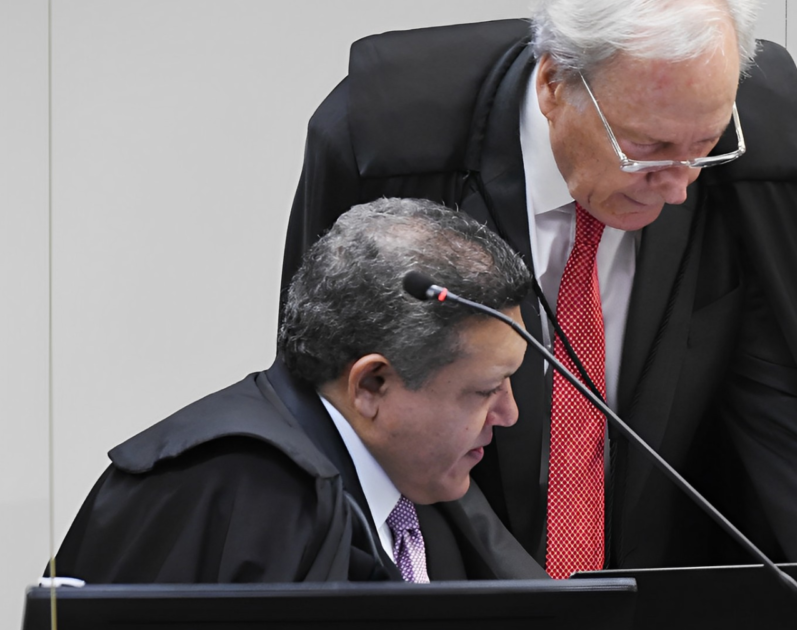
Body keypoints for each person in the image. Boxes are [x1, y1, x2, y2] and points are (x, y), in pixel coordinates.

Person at [282, 0, 797, 627]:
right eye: (649, 148)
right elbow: (357, 420)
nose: (680, 187)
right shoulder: (384, 141)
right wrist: (552, 610)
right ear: (554, 84)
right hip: (451, 591)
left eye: (704, 148)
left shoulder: (729, 128)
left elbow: (780, 406)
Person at [52, 198, 546, 584]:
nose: (509, 414)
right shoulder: (241, 490)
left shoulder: (418, 487)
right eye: (485, 390)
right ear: (371, 385)